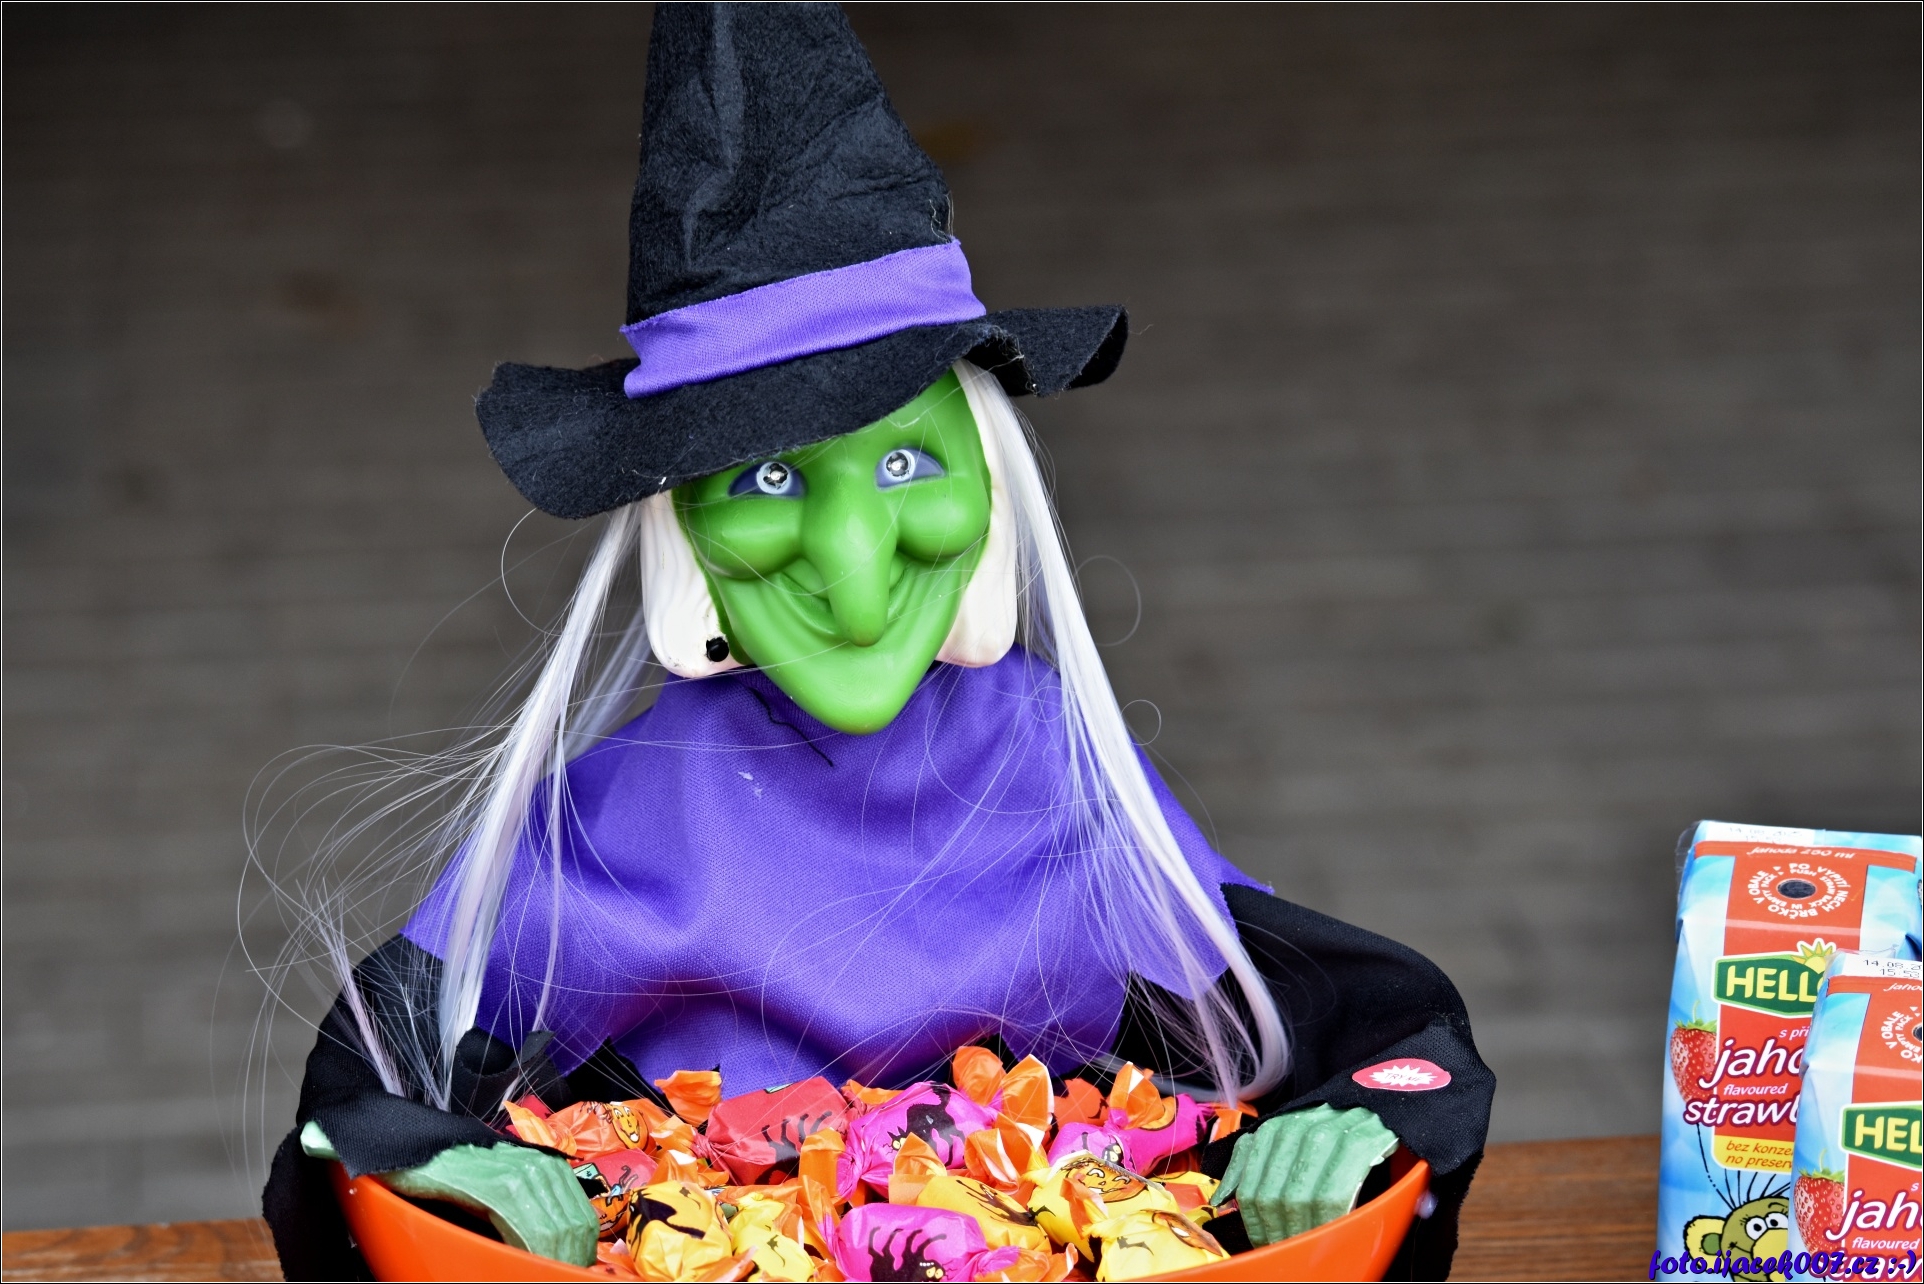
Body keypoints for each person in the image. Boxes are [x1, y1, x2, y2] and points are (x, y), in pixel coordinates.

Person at [261, 6, 1493, 1279]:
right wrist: (429, 1164)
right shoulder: (610, 819)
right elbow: (365, 1097)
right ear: (681, 525)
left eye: (906, 464)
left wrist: (1363, 1117)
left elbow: (1367, 1029)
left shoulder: (1058, 769)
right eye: (770, 480)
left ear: (990, 486)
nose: (854, 583)